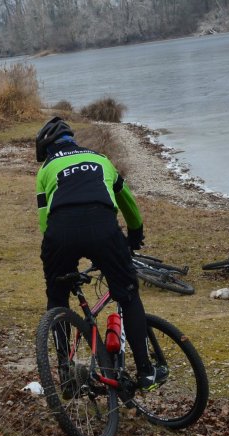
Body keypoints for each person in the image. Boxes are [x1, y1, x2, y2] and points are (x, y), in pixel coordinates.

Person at [34, 116, 167, 391]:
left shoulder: (46, 169)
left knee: (57, 298)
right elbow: (126, 201)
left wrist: (56, 259)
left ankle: (65, 373)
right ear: (72, 140)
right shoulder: (101, 159)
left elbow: (45, 220)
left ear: (47, 148)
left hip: (60, 235)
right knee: (128, 295)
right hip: (103, 229)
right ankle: (145, 372)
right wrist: (135, 234)